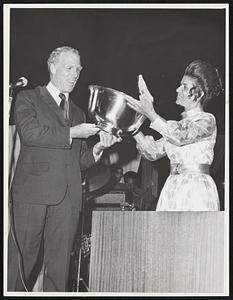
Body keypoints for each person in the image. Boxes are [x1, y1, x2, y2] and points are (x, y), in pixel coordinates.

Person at [8, 46, 120, 292]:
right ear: (52, 67)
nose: (74, 75)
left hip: (68, 200)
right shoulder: (29, 97)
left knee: (59, 273)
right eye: (69, 68)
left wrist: (98, 149)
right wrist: (71, 133)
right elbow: (30, 134)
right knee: (20, 269)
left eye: (78, 70)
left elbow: (79, 160)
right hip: (32, 196)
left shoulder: (79, 112)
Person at [126, 60, 223, 211]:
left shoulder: (207, 120)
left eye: (184, 86)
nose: (178, 89)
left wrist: (151, 114)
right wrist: (132, 126)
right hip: (172, 188)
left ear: (199, 93)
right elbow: (152, 152)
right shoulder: (175, 126)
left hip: (196, 190)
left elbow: (179, 137)